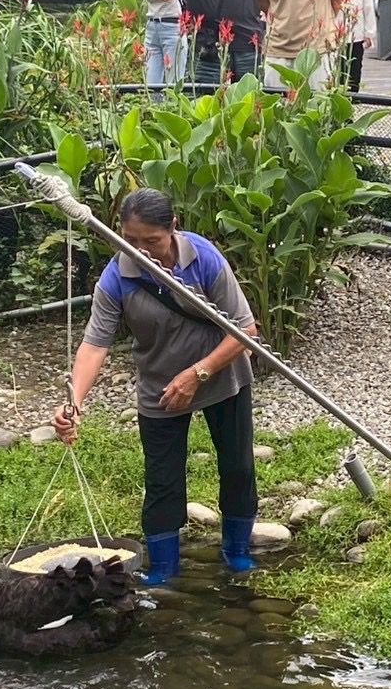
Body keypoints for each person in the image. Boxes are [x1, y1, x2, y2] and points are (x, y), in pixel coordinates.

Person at [52, 189, 260, 585]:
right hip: (160, 385)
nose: (141, 250)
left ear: (173, 229)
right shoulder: (117, 277)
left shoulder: (203, 258)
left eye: (152, 241)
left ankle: (236, 551)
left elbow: (244, 330)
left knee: (237, 466)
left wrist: (197, 373)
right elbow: (96, 343)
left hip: (222, 376)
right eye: (131, 241)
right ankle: (164, 569)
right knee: (162, 478)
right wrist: (74, 402)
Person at [336, 0, 376, 92]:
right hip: (337, 37)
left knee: (355, 67)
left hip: (356, 36)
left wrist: (369, 34)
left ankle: (354, 95)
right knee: (338, 68)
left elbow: (368, 11)